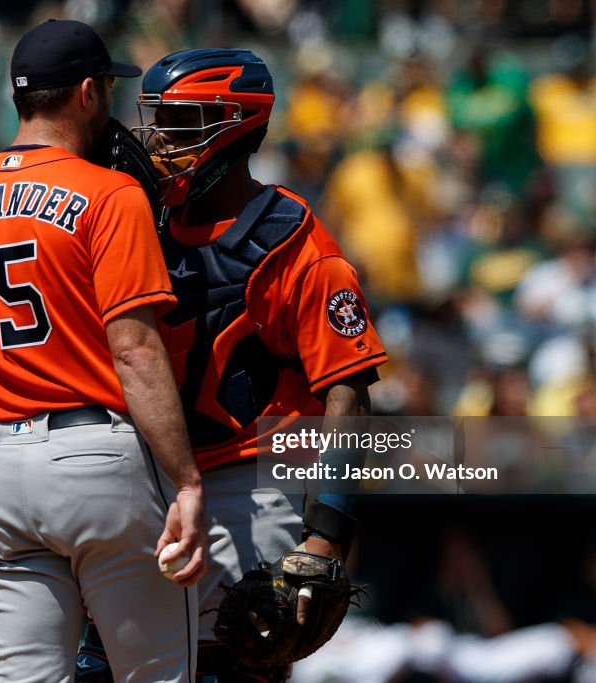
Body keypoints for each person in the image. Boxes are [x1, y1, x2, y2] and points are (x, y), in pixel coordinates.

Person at [79, 48, 389, 683]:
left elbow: (349, 396)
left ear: (237, 123)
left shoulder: (293, 239)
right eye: (157, 122)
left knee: (231, 667)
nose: (160, 141)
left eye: (184, 124)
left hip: (249, 482)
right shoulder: (136, 220)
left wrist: (326, 533)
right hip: (146, 484)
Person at [0, 19, 207, 683]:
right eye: (108, 89)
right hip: (96, 456)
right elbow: (135, 350)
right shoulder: (108, 192)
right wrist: (189, 480)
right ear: (88, 92)